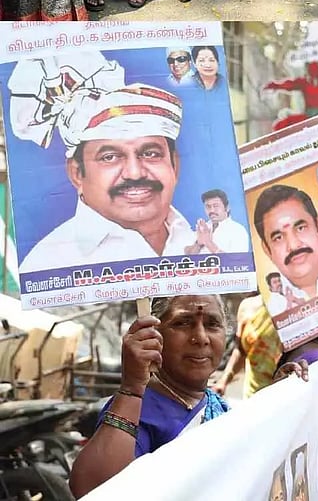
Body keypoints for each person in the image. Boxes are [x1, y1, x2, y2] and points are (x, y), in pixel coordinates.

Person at [9, 54, 196, 272]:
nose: (134, 173)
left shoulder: (211, 245)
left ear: (174, 165)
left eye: (151, 154)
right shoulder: (48, 265)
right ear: (77, 174)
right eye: (110, 157)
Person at [69, 294, 229, 498]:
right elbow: (93, 489)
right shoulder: (138, 409)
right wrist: (132, 388)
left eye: (212, 324)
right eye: (182, 323)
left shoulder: (217, 406)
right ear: (153, 335)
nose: (201, 338)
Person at [253, 184, 318, 300]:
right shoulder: (273, 303)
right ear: (267, 250)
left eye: (300, 228)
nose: (293, 246)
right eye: (278, 238)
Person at [212, 293, 282, 398]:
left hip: (284, 395)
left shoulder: (295, 308)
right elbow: (241, 350)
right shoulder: (247, 307)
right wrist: (223, 381)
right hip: (253, 395)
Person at [186, 188, 250, 254]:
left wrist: (209, 243)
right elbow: (186, 255)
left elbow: (237, 259)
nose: (212, 210)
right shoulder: (203, 228)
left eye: (216, 206)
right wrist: (198, 244)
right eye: (208, 206)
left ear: (227, 207)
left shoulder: (238, 231)